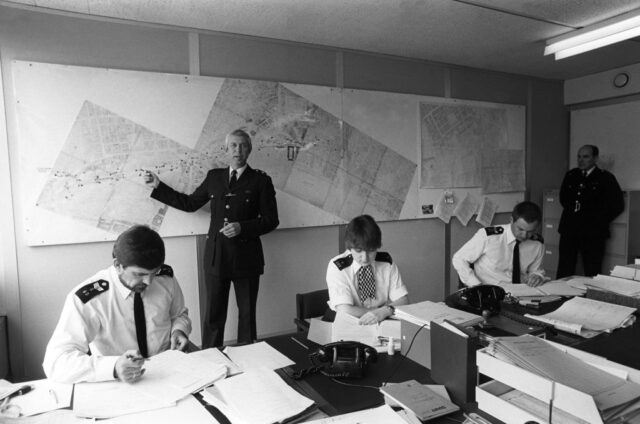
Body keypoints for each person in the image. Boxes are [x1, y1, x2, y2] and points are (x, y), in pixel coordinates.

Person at [145, 129, 279, 347]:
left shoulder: (261, 181)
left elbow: (272, 220)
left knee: (247, 314)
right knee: (213, 314)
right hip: (216, 257)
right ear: (226, 149)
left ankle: (248, 357)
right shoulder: (214, 177)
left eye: (243, 145)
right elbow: (189, 204)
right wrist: (159, 187)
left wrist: (242, 228)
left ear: (250, 149)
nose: (238, 150)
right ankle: (211, 356)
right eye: (233, 145)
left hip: (247, 258)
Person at [43, 225, 191, 384]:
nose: (148, 282)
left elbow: (179, 314)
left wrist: (178, 331)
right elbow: (56, 362)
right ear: (117, 265)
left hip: (167, 372)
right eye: (139, 274)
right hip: (118, 381)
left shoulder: (165, 279)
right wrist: (113, 367)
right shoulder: (90, 298)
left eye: (154, 272)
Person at [326, 215, 409, 325]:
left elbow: (404, 300)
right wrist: (378, 313)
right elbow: (345, 310)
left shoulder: (386, 263)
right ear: (350, 247)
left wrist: (383, 311)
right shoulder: (338, 266)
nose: (365, 258)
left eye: (370, 251)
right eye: (359, 251)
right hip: (346, 321)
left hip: (380, 319)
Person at [556, 145, 624, 278]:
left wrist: (598, 220)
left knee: (592, 269)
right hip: (569, 228)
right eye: (579, 156)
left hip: (593, 232)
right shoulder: (571, 175)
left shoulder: (605, 178)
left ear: (595, 158)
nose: (581, 160)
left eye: (585, 157)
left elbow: (617, 205)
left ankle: (589, 297)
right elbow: (563, 199)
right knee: (565, 267)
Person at [452, 201, 545, 287]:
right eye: (520, 229)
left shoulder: (537, 244)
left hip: (520, 292)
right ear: (511, 220)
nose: (524, 235)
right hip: (489, 290)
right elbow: (459, 258)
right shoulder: (489, 237)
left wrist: (537, 276)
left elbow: (535, 270)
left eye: (530, 231)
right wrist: (476, 285)